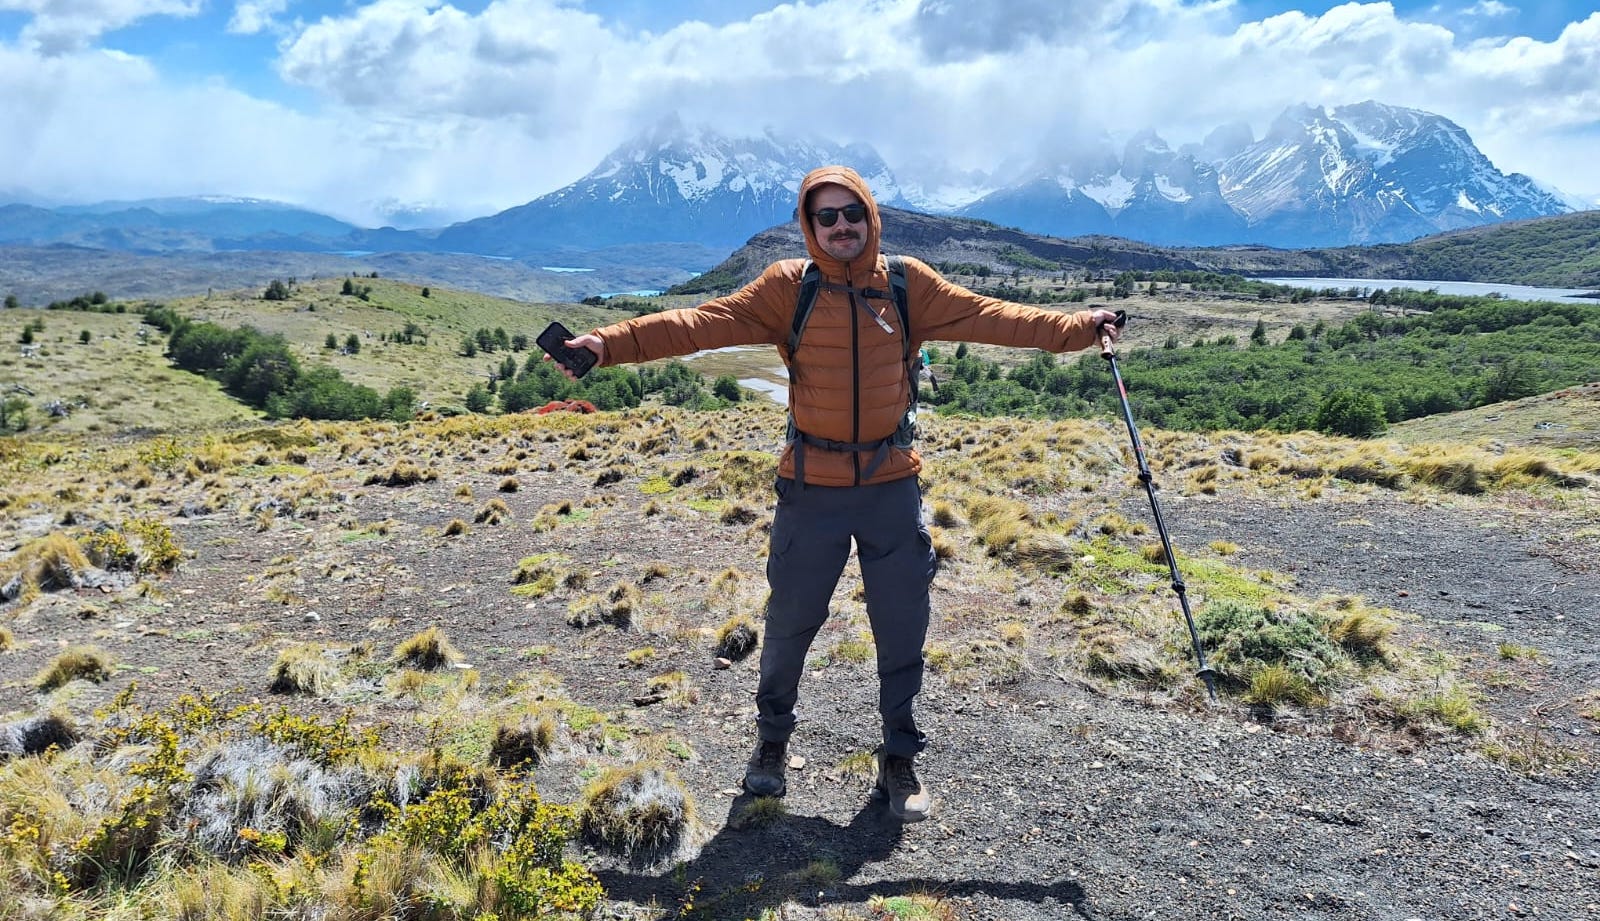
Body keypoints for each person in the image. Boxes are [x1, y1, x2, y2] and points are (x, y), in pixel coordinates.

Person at [551, 165, 1120, 823]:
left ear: (870, 216)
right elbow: (695, 325)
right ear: (809, 223)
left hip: (890, 487)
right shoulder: (785, 289)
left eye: (853, 212)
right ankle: (770, 743)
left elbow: (1000, 319)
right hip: (810, 490)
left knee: (902, 627)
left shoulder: (909, 285)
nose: (842, 225)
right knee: (790, 623)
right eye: (827, 215)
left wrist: (1082, 327)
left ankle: (899, 759)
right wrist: (606, 343)